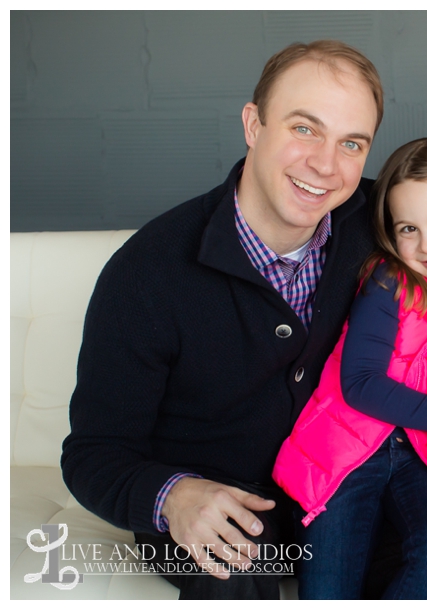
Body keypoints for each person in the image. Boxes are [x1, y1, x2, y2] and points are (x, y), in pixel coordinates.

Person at [61, 40, 386, 600]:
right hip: (215, 506)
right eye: (304, 129)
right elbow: (93, 454)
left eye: (351, 143)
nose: (326, 166)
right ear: (253, 125)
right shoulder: (147, 272)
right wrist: (174, 496)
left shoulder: (381, 225)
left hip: (343, 493)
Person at [272, 135, 427, 599]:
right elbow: (360, 384)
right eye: (409, 229)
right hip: (349, 449)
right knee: (327, 584)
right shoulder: (389, 282)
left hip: (426, 455)